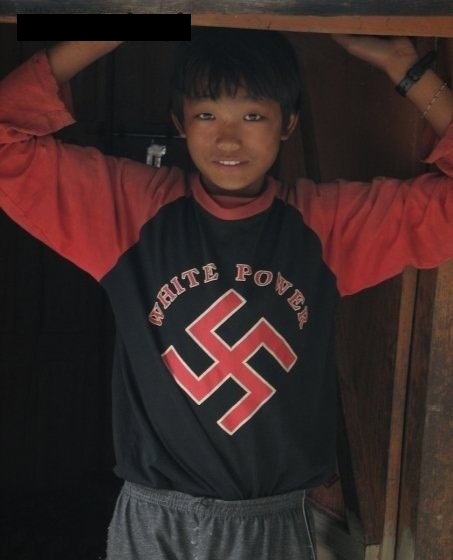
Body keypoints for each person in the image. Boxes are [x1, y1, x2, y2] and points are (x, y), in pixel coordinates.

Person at [0, 31, 452, 560]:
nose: (228, 141)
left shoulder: (326, 227)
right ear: (179, 122)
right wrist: (116, 22)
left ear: (289, 124)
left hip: (274, 523)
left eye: (253, 116)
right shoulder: (129, 211)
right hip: (154, 520)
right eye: (207, 115)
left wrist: (408, 69)